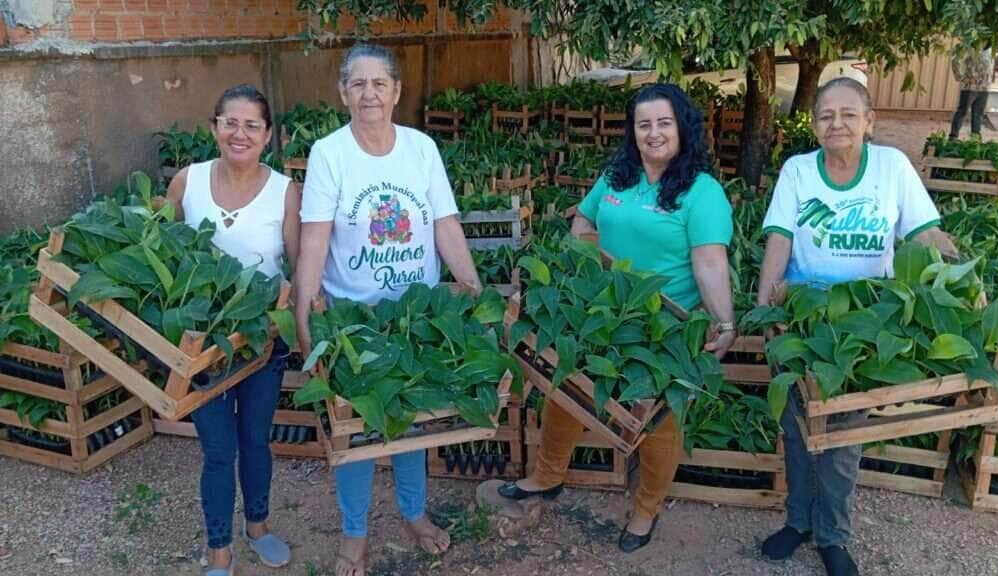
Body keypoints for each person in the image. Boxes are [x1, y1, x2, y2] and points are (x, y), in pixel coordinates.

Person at [497, 83, 737, 553]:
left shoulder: (700, 191)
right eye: (643, 124)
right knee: (564, 390)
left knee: (657, 422)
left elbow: (710, 261)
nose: (653, 133)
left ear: (682, 127)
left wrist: (724, 323)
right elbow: (582, 224)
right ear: (632, 131)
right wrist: (583, 258)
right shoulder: (617, 176)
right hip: (603, 313)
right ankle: (547, 476)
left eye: (663, 123)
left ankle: (645, 509)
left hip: (662, 325)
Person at [292, 43, 482, 576]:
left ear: (397, 92)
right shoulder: (330, 153)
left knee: (410, 422)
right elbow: (313, 242)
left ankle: (413, 514)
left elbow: (444, 224)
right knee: (355, 430)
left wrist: (470, 285)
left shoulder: (421, 149)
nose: (369, 93)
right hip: (354, 321)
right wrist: (306, 315)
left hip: (413, 315)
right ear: (343, 93)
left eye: (380, 83)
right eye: (358, 83)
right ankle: (354, 534)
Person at [757, 77, 957, 576]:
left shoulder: (890, 167)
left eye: (849, 114)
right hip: (804, 320)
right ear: (815, 124)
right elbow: (779, 239)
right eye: (826, 115)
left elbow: (923, 231)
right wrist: (766, 308)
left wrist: (960, 273)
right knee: (798, 428)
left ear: (870, 122)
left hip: (864, 325)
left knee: (843, 439)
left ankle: (833, 537)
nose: (837, 123)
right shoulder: (798, 170)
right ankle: (797, 522)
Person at [166, 84, 301, 576]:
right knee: (219, 450)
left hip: (262, 342)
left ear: (267, 135)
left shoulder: (286, 191)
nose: (239, 133)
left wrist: (300, 316)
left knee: (256, 441)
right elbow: (162, 251)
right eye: (230, 122)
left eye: (252, 125)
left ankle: (259, 528)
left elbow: (296, 264)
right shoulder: (188, 182)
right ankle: (219, 550)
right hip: (205, 345)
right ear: (214, 127)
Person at [950, 46, 994, 139]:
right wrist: (959, 76)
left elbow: (992, 64)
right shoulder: (970, 47)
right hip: (970, 86)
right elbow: (955, 60)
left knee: (978, 114)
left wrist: (990, 80)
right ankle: (953, 137)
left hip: (984, 88)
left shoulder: (991, 49)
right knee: (962, 111)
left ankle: (975, 138)